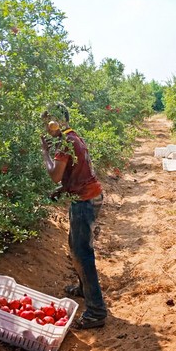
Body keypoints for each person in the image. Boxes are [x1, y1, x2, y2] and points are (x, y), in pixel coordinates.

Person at [40, 104, 107, 329]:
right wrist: (63, 189)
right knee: (76, 247)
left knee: (82, 253)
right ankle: (83, 288)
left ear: (55, 123)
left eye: (48, 123)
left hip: (85, 201)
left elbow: (55, 175)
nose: (46, 128)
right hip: (89, 196)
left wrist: (45, 153)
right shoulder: (73, 137)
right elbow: (78, 172)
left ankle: (96, 312)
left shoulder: (65, 143)